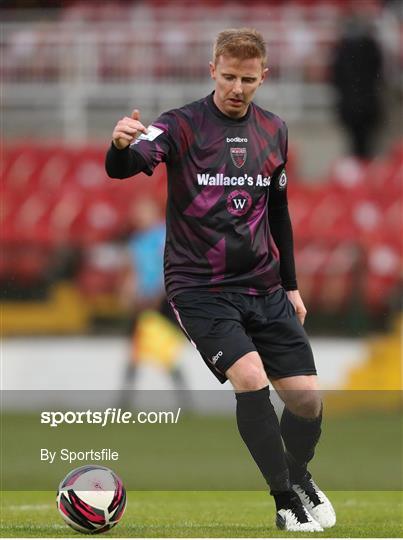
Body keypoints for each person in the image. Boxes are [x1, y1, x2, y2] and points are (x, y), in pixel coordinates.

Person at [106, 28, 336, 532]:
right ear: (212, 69)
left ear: (263, 77)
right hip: (200, 287)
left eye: (248, 79)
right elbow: (129, 165)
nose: (237, 87)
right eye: (229, 76)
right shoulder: (179, 125)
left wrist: (292, 286)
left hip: (265, 287)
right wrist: (121, 145)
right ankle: (283, 501)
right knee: (251, 379)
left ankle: (297, 475)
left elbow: (279, 213)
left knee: (306, 399)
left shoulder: (275, 130)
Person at [118, 198, 188, 405]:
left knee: (164, 349)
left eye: (143, 211)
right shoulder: (136, 241)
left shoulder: (163, 236)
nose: (138, 216)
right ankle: (125, 398)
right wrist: (128, 292)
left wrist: (158, 294)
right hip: (144, 302)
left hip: (162, 302)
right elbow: (134, 272)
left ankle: (183, 397)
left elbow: (170, 269)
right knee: (135, 349)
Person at [330, 16, 383, 159]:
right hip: (366, 103)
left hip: (352, 104)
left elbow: (336, 77)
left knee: (357, 144)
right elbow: (378, 73)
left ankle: (359, 168)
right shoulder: (371, 47)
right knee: (365, 144)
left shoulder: (342, 49)